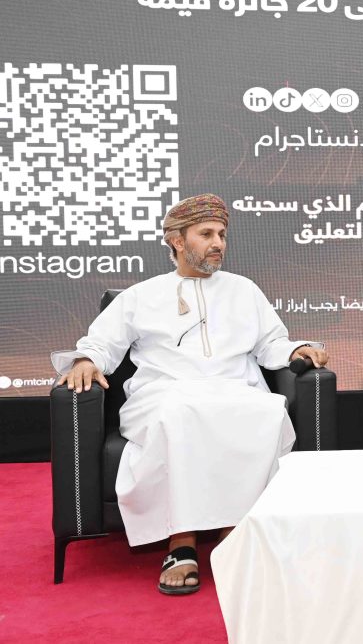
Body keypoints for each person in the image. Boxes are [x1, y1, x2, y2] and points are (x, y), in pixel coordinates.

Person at [52, 194, 328, 595]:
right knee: (181, 414)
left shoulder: (244, 290)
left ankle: (236, 535)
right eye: (207, 234)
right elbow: (102, 343)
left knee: (265, 410)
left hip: (233, 388)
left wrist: (295, 350)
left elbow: (271, 344)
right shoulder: (141, 296)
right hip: (165, 392)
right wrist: (86, 360)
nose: (218, 243)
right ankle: (181, 542)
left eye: (222, 235)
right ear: (178, 241)